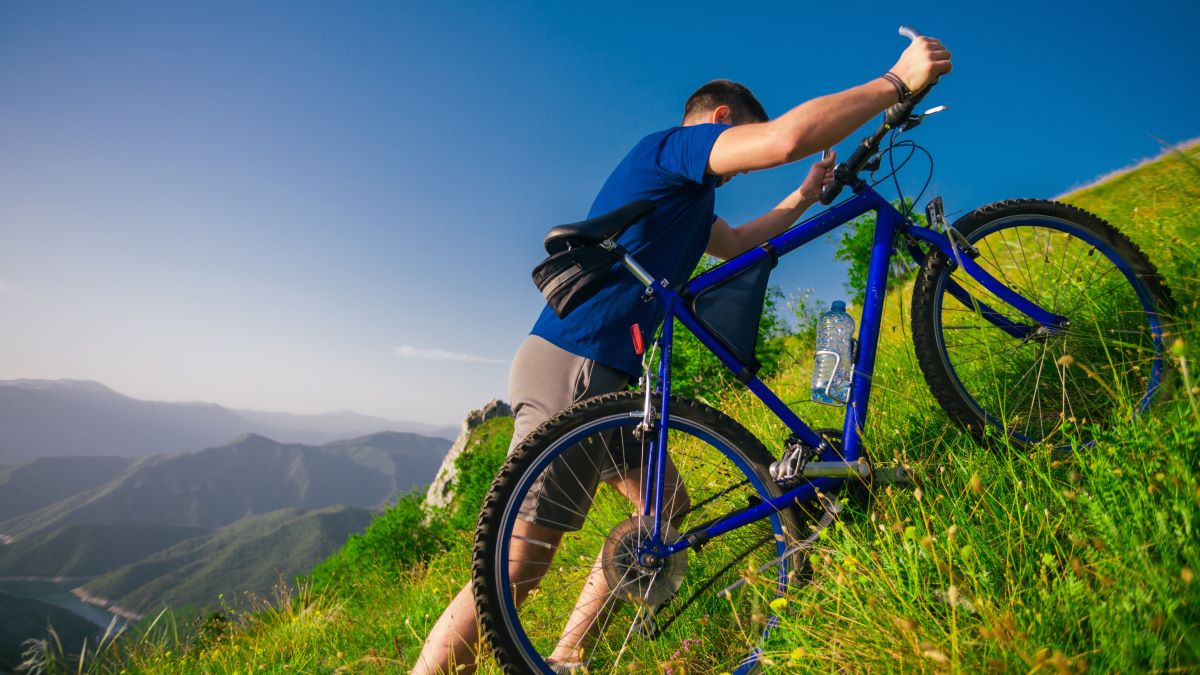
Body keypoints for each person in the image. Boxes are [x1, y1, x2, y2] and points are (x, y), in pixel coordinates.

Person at [411, 35, 952, 675]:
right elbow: (781, 139)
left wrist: (805, 194)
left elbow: (739, 242)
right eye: (739, 150)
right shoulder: (675, 148)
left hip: (605, 373)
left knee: (662, 507)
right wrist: (895, 80)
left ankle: (570, 654)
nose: (745, 169)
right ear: (721, 120)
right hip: (574, 360)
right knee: (519, 556)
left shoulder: (691, 199)